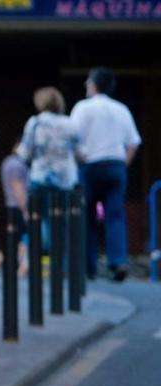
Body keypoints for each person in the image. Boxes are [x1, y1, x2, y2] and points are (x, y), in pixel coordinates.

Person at [70, 66, 142, 282]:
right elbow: (134, 142)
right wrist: (124, 162)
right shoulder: (121, 109)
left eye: (88, 81)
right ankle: (118, 261)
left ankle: (88, 266)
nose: (85, 85)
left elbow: (73, 136)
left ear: (94, 84)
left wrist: (79, 157)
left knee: (87, 217)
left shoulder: (83, 107)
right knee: (115, 215)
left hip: (90, 165)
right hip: (116, 165)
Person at [18, 86, 79, 258]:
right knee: (64, 221)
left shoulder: (35, 122)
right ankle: (64, 262)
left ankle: (44, 256)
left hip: (41, 178)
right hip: (66, 179)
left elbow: (25, 152)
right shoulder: (70, 123)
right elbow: (81, 152)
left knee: (42, 219)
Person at [0, 138, 30, 276]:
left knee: (15, 240)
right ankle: (22, 266)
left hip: (9, 205)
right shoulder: (17, 164)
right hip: (16, 207)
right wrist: (25, 208)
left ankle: (20, 265)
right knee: (20, 239)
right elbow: (17, 187)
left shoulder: (7, 162)